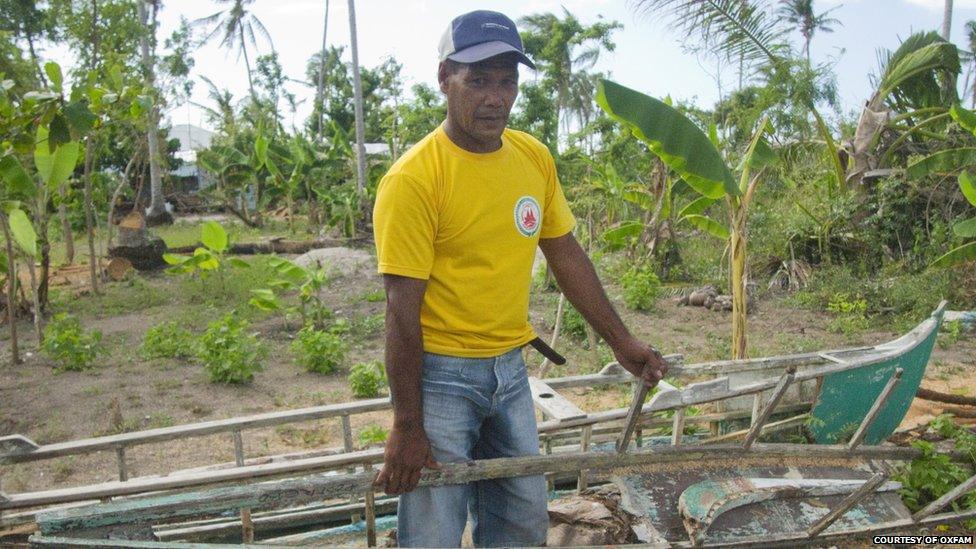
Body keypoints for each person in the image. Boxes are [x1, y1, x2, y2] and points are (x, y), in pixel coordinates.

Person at [371, 9, 668, 547]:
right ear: (444, 78)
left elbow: (564, 252)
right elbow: (400, 309)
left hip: (510, 373)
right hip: (440, 377)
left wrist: (621, 340)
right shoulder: (415, 179)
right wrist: (407, 423)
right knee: (434, 529)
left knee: (522, 521)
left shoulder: (532, 156)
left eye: (507, 80)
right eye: (477, 79)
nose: (495, 96)